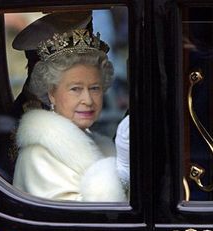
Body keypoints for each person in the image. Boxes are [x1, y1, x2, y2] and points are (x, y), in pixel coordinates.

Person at [11, 11, 130, 202]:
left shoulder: (102, 145)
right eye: (75, 89)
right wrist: (120, 174)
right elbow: (81, 222)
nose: (88, 100)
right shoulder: (37, 157)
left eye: (95, 88)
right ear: (51, 93)